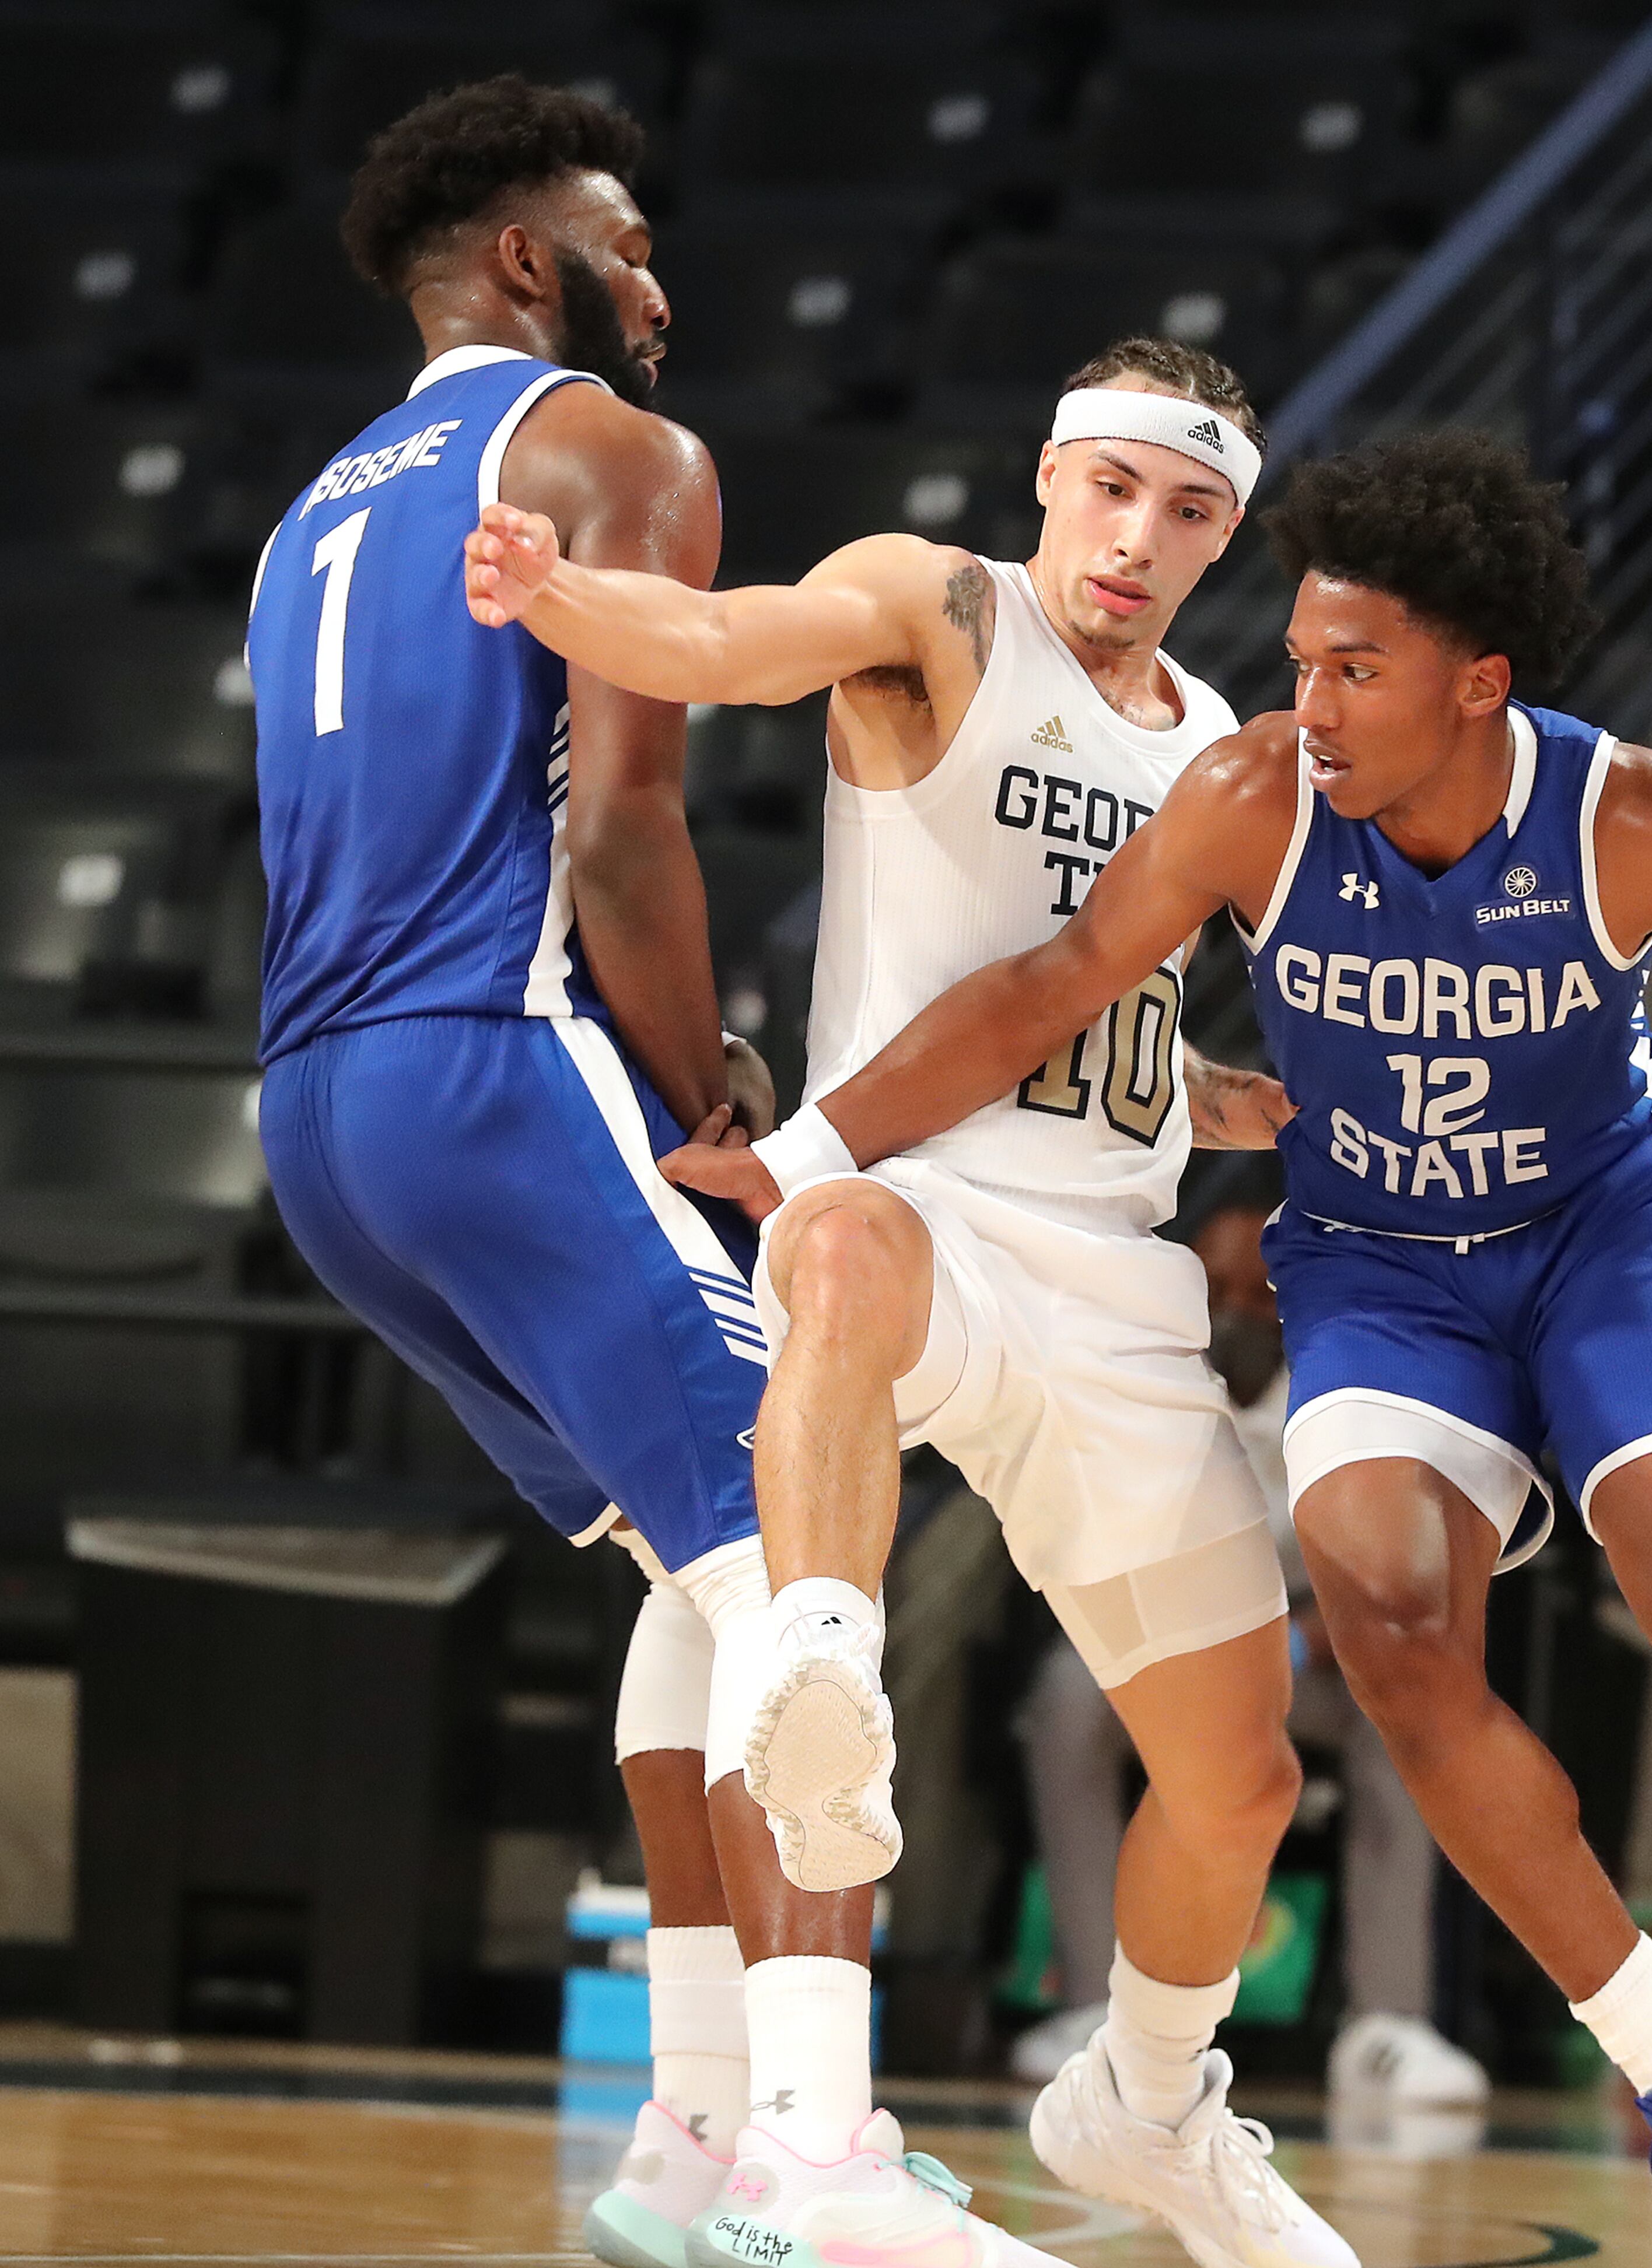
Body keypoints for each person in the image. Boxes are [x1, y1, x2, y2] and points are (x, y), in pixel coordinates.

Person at [656, 432, 1652, 2268]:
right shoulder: (1256, 800)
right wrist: (801, 1158)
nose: (1306, 700)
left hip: (1600, 1251)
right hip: (1383, 1264)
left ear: (1477, 684)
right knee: (1396, 1640)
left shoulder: (1631, 816)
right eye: (1302, 659)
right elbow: (1043, 992)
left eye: (1356, 669)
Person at [247, 78, 1056, 2268]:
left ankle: (690, 2151)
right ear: (528, 261)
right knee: (809, 1552)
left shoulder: (314, 506)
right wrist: (719, 1097)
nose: (661, 282)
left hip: (319, 1117)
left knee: (690, 1566)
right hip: (495, 1067)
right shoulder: (610, 456)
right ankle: (820, 2154)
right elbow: (618, 829)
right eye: (624, 236)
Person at [466, 342, 1357, 2268]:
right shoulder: (940, 611)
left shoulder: (1212, 735)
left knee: (1243, 1773)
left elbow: (1078, 986)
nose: (1139, 535)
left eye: (1188, 509)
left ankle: (1147, 2104)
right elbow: (722, 636)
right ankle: (788, 2007)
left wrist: (1186, 1091)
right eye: (1111, 487)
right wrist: (558, 591)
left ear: (1228, 537)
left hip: (1118, 1293)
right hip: (926, 1223)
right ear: (1050, 478)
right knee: (828, 1274)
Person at [1012, 1198, 1490, 2112]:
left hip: (1310, 1659)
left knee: (1407, 1706)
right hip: (1171, 1647)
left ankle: (1389, 2022)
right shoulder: (1140, 1382)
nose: (1232, 1311)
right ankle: (1094, 2006)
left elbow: (1393, 1570)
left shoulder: (1341, 1388)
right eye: (1214, 1290)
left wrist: (1305, 1638)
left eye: (1253, 1292)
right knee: (1066, 1694)